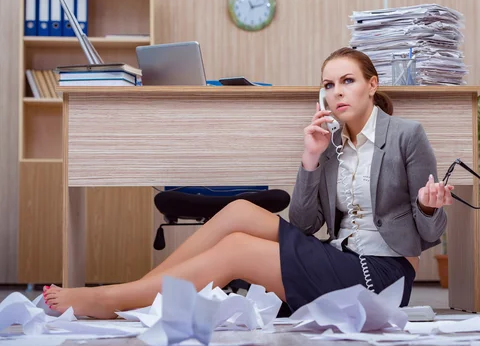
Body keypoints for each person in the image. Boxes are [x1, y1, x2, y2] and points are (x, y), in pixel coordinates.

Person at [44, 47, 453, 319]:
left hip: (382, 274)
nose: (337, 92)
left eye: (347, 81)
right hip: (339, 257)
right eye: (329, 85)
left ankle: (112, 300)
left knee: (237, 250)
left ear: (372, 84)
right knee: (239, 211)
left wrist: (431, 206)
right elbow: (307, 224)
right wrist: (311, 159)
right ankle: (140, 291)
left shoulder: (405, 135)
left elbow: (430, 234)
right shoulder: (330, 141)